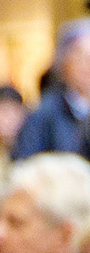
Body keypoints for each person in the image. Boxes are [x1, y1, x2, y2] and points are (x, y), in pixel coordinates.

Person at [15, 20, 90, 158]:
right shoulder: (42, 112)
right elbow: (25, 163)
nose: (86, 65)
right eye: (80, 57)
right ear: (63, 62)